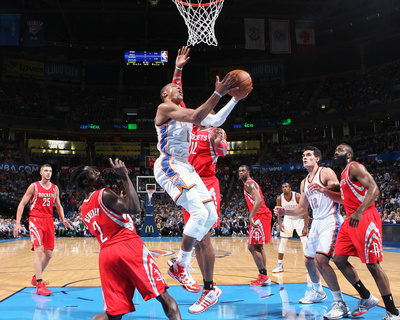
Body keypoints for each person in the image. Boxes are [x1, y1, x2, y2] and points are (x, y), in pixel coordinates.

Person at [154, 45, 243, 297]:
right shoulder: (164, 109)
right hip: (169, 164)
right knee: (196, 212)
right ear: (164, 95)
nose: (178, 89)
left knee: (210, 217)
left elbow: (213, 120)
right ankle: (180, 266)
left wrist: (234, 99)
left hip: (188, 169)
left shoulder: (180, 109)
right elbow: (195, 114)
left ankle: (181, 265)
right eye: (173, 89)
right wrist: (218, 92)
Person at [71, 158, 181, 320]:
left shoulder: (84, 208)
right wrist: (124, 177)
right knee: (163, 296)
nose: (98, 172)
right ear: (87, 181)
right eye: (93, 172)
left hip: (107, 256)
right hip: (128, 247)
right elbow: (135, 208)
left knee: (114, 314)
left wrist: (120, 202)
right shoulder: (104, 194)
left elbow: (109, 218)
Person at [309, 143, 399, 320]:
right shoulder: (343, 175)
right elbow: (345, 199)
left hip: (364, 216)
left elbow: (374, 189)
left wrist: (359, 210)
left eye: (340, 150)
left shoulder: (354, 167)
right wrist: (324, 191)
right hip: (350, 219)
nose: (336, 153)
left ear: (349, 155)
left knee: (373, 264)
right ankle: (366, 296)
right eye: (335, 150)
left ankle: (393, 312)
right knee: (339, 258)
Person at [274, 146, 350, 320]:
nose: (304, 158)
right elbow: (302, 208)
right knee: (309, 262)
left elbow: (340, 192)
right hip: (317, 222)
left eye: (308, 155)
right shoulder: (304, 182)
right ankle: (318, 292)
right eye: (303, 155)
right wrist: (285, 212)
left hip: (331, 219)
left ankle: (340, 303)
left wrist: (330, 187)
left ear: (317, 158)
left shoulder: (326, 172)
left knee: (321, 260)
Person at [13, 163, 71, 296]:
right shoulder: (33, 187)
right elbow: (22, 204)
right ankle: (39, 284)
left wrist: (63, 219)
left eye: (50, 171)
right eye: (45, 170)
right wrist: (17, 223)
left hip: (49, 221)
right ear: (40, 172)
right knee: (39, 250)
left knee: (49, 254)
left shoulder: (55, 188)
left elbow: (58, 205)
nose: (48, 173)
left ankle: (35, 277)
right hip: (35, 220)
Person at [238, 165, 273, 287]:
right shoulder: (248, 184)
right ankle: (264, 276)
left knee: (252, 247)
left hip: (260, 216)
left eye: (243, 170)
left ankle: (263, 276)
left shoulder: (249, 184)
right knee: (258, 247)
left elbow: (258, 200)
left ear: (248, 172)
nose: (241, 172)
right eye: (239, 171)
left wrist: (251, 216)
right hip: (262, 215)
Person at [272, 182, 308, 273]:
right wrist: (280, 223)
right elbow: (278, 210)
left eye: (287, 186)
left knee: (305, 241)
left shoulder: (297, 196)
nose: (285, 188)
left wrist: (305, 226)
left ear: (290, 188)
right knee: (283, 241)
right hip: (287, 219)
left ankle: (309, 265)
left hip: (299, 218)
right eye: (283, 187)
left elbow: (305, 211)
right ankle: (279, 265)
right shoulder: (280, 198)